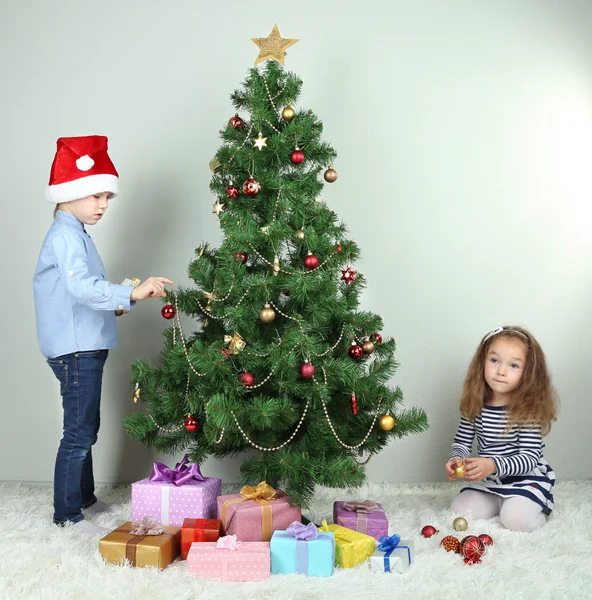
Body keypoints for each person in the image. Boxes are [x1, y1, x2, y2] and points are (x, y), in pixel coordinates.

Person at [33, 135, 173, 535]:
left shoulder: (74, 233)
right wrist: (129, 291)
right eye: (96, 196)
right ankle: (66, 513)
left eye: (107, 197)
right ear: (70, 193)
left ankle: (84, 497)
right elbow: (81, 289)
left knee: (86, 426)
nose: (103, 206)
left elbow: (76, 290)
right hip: (76, 350)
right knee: (78, 432)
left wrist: (120, 300)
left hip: (83, 344)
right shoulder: (65, 236)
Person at [445, 326, 558, 532]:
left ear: (528, 373)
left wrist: (493, 464)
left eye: (514, 365)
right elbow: (462, 441)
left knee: (516, 521)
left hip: (525, 479)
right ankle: (499, 501)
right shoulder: (476, 403)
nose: (501, 371)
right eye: (494, 360)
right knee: (459, 510)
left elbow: (529, 457)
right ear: (482, 362)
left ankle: (533, 504)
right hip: (490, 480)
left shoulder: (526, 410)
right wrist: (456, 458)